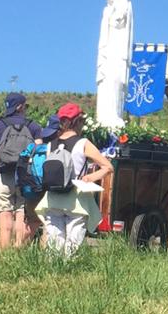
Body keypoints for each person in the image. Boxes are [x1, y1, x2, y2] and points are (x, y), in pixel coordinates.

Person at [36, 103, 112, 256]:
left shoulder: (51, 145)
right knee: (73, 244)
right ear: (77, 122)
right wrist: (90, 177)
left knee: (54, 244)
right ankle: (69, 271)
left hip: (53, 199)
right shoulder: (83, 143)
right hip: (76, 199)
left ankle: (53, 273)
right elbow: (108, 167)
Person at [0, 92, 44, 248]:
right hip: (25, 177)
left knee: (5, 218)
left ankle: (3, 257)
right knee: (21, 214)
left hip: (3, 174)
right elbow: (37, 155)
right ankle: (18, 251)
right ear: (20, 107)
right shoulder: (34, 126)